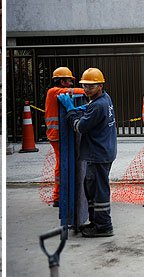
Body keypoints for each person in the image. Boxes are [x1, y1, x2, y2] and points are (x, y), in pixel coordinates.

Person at [58, 68, 117, 237]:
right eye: (84, 86)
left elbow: (79, 127)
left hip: (99, 153)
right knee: (92, 187)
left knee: (99, 190)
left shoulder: (98, 105)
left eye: (91, 86)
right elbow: (92, 110)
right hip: (103, 151)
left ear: (100, 86)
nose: (86, 89)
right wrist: (85, 108)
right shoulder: (104, 98)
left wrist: (70, 110)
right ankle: (96, 222)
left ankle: (104, 226)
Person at [44, 67, 84, 206]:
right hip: (57, 136)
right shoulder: (53, 92)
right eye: (68, 81)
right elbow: (76, 91)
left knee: (64, 164)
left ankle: (62, 194)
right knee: (61, 166)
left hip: (59, 135)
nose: (71, 84)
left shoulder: (55, 93)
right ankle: (58, 196)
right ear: (61, 81)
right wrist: (90, 90)